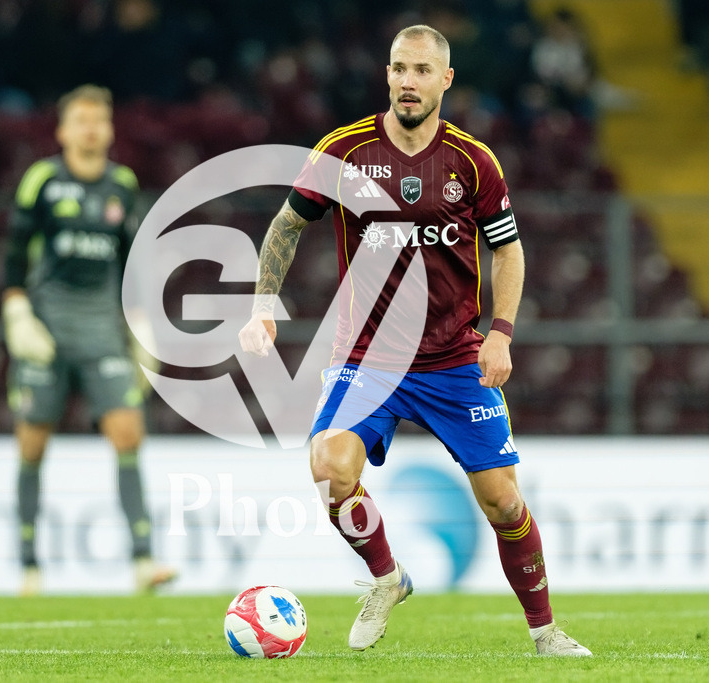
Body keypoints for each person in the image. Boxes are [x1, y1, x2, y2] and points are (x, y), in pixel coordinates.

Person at [238, 25, 591, 656]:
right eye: (400, 68)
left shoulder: (473, 161)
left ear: (445, 81)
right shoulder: (344, 151)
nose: (408, 81)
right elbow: (286, 225)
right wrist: (264, 306)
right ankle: (386, 578)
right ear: (388, 74)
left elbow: (508, 252)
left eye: (422, 71)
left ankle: (545, 632)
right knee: (328, 469)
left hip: (454, 357)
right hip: (366, 356)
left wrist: (502, 333)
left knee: (505, 504)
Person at [1, 84, 176, 595]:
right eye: (81, 119)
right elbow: (14, 251)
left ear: (110, 129)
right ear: (62, 130)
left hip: (101, 329)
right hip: (48, 331)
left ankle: (144, 562)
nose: (90, 128)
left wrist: (141, 327)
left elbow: (131, 265)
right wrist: (15, 310)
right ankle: (29, 566)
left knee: (128, 434)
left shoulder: (122, 185)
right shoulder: (42, 180)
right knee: (32, 444)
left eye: (99, 119)